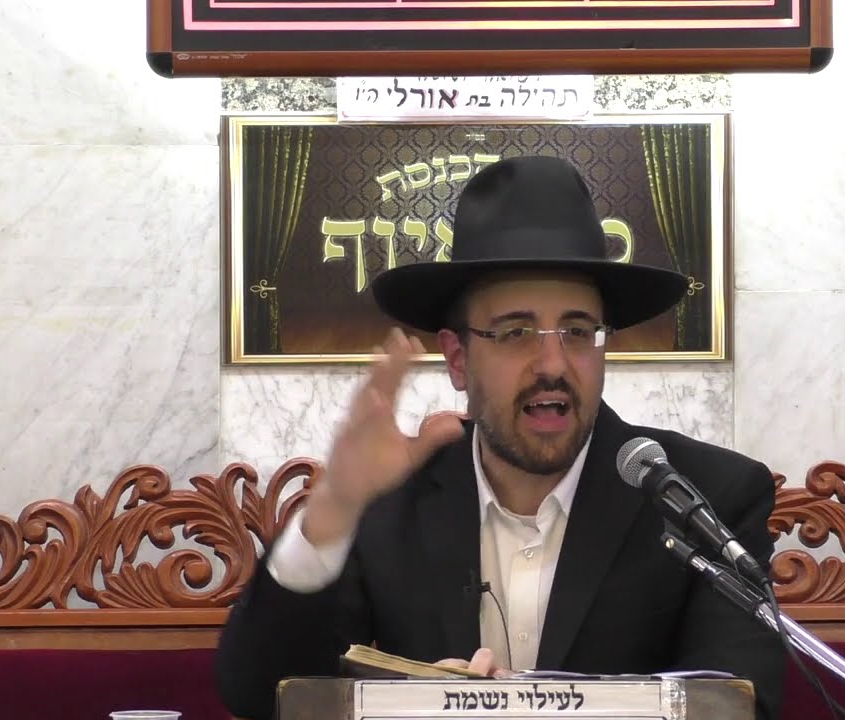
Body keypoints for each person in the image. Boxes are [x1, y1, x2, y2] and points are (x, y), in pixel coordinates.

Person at [214, 155, 785, 720]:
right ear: (458, 359)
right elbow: (259, 694)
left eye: (578, 331)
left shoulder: (704, 499)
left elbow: (739, 704)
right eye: (515, 332)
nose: (553, 363)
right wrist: (335, 508)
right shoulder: (389, 503)